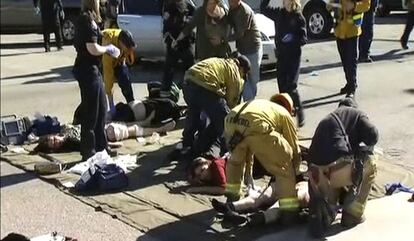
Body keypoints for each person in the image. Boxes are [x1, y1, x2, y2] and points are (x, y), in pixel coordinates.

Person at [224, 94, 302, 225]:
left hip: (231, 120)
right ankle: (289, 213)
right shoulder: (284, 114)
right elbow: (293, 146)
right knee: (283, 168)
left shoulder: (263, 105)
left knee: (236, 162)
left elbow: (250, 150)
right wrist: (296, 170)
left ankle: (232, 198)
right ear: (289, 108)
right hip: (257, 125)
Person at [307, 97, 378, 238]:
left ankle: (326, 214)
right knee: (371, 162)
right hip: (337, 169)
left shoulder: (329, 120)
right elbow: (373, 134)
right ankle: (352, 214)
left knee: (333, 168)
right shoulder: (357, 114)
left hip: (315, 173)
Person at [73, 0, 120, 161]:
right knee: (91, 111)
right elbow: (91, 48)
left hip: (93, 69)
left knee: (101, 108)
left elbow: (96, 39)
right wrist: (107, 49)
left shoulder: (92, 18)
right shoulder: (85, 19)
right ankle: (88, 151)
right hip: (86, 69)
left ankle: (101, 147)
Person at [181, 55, 250, 161]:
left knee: (194, 114)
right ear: (241, 68)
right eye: (243, 75)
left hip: (188, 82)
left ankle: (187, 146)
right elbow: (232, 102)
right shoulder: (234, 70)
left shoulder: (220, 62)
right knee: (224, 119)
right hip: (204, 85)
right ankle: (228, 153)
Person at [260, 0, 307, 127]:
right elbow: (264, 9)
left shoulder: (298, 17)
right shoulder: (279, 14)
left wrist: (293, 38)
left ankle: (299, 110)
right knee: (282, 87)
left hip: (293, 56)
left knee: (291, 86)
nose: (285, 3)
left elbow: (304, 38)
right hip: (281, 56)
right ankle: (285, 118)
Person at [211, 181, 310, 225]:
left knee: (292, 197)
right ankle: (229, 207)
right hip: (286, 184)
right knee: (261, 197)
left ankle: (251, 218)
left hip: (301, 190)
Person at [328, 0, 371, 97]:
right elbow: (332, 3)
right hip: (339, 30)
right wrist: (330, 5)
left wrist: (354, 6)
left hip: (352, 30)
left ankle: (352, 87)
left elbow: (366, 5)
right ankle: (349, 83)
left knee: (351, 61)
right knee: (344, 60)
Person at [228, 0, 262, 101]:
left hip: (253, 48)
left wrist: (223, 38)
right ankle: (249, 103)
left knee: (253, 79)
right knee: (245, 77)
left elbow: (240, 33)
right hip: (242, 49)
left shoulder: (245, 11)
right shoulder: (232, 9)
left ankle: (251, 102)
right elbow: (228, 22)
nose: (230, 2)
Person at [161, 0, 195, 95]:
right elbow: (166, 27)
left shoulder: (189, 5)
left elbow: (193, 22)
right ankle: (165, 93)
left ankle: (190, 93)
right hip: (173, 44)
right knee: (169, 70)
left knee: (191, 71)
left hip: (186, 43)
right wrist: (171, 40)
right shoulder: (169, 5)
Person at [101, 28, 136, 113]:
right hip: (100, 59)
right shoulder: (109, 45)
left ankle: (132, 104)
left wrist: (123, 59)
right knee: (96, 89)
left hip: (118, 60)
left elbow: (129, 57)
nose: (128, 50)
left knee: (125, 78)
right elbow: (108, 74)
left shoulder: (124, 38)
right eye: (127, 48)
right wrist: (111, 101)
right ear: (121, 43)